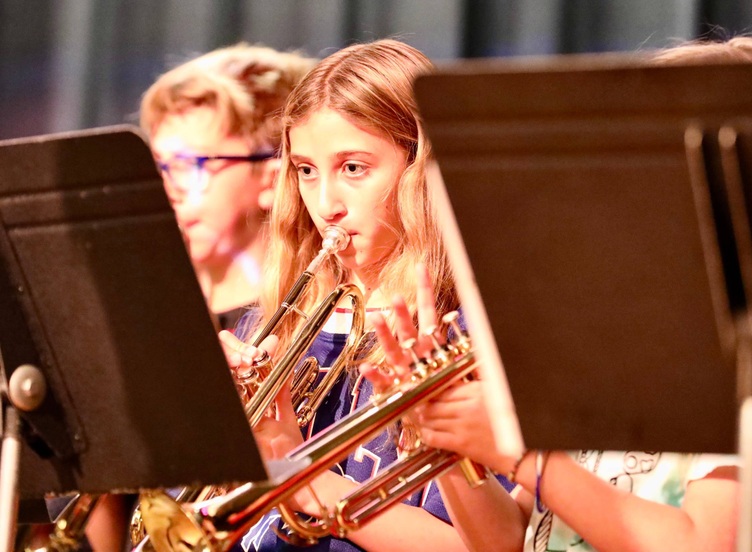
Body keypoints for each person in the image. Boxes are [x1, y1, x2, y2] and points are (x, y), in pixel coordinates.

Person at [358, 37, 749, 552]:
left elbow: (701, 545)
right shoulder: (612, 344)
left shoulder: (734, 362)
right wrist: (452, 443)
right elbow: (509, 538)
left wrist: (522, 455)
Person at [220, 38, 519, 552]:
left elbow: (484, 545)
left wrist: (297, 471)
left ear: (418, 169)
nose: (325, 204)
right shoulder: (280, 316)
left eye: (353, 168)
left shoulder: (468, 331)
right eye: (307, 171)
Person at [141, 43, 317, 330]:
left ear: (273, 180)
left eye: (187, 164)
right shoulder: (149, 312)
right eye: (159, 164)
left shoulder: (308, 324)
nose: (165, 188)